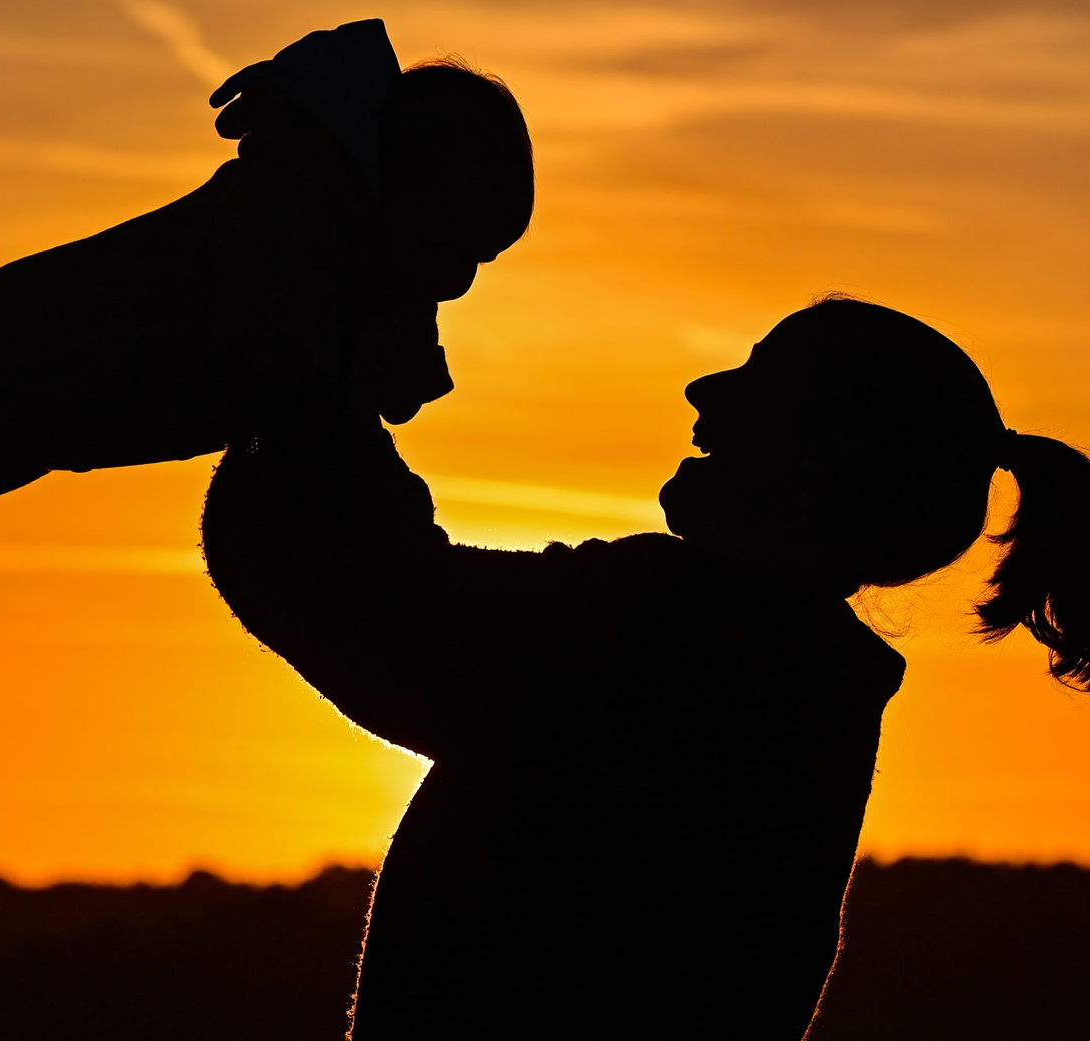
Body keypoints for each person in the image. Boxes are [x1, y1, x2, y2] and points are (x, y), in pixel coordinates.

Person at [201, 295, 1090, 1039]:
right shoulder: (798, 689)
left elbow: (371, 604)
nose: (707, 390)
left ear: (827, 458)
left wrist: (314, 399)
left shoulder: (679, 632)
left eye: (761, 379)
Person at [0, 20, 533, 512]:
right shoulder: (290, 209)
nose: (459, 282)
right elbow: (290, 377)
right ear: (405, 186)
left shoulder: (368, 254)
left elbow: (371, 383)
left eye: (482, 259)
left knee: (6, 446)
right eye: (456, 247)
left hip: (93, 387)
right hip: (45, 330)